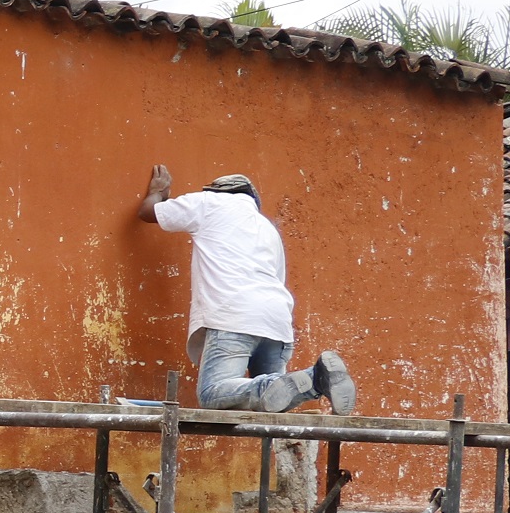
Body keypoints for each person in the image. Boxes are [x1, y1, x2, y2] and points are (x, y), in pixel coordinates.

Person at [138, 166, 357, 416]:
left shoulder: (210, 202)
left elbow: (147, 212)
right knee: (272, 405)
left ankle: (299, 379)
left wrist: (158, 194)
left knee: (212, 393)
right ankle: (317, 379)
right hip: (277, 321)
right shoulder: (267, 229)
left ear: (217, 190)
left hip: (234, 315)